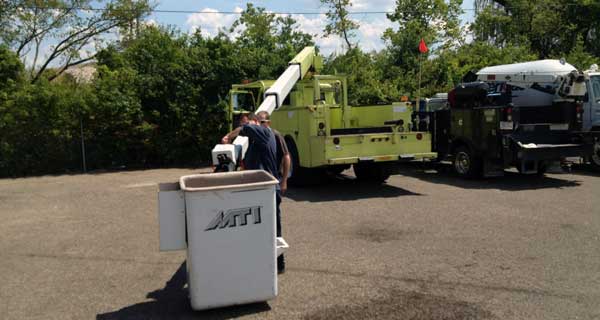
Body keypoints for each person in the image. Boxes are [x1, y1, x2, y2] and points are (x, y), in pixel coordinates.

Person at [236, 113, 286, 273]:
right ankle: (267, 263)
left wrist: (245, 126)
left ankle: (278, 263)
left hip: (268, 189)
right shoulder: (257, 139)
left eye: (249, 123)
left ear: (258, 122)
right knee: (264, 227)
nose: (246, 127)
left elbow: (246, 128)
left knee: (272, 228)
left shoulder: (265, 133)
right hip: (262, 189)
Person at [255, 111, 290, 273]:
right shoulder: (255, 136)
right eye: (258, 122)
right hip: (259, 187)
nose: (261, 125)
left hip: (272, 185)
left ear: (268, 122)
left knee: (275, 226)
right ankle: (264, 260)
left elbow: (286, 156)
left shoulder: (275, 135)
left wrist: (284, 180)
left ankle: (279, 262)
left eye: (262, 122)